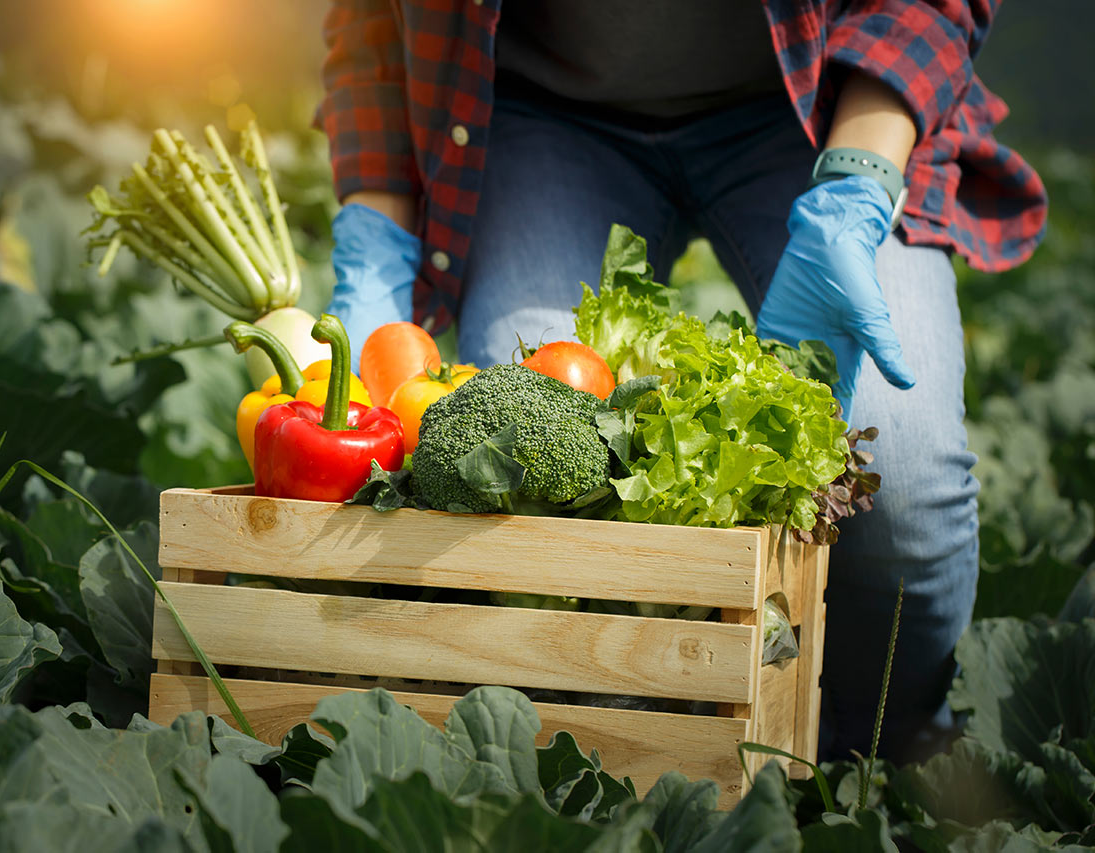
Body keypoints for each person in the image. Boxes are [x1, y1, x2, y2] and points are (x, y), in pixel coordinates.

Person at [315, 1, 1046, 763]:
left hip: (823, 103)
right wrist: (375, 241)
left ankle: (888, 751)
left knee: (905, 482)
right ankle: (616, 746)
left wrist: (857, 185)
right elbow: (372, 19)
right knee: (526, 473)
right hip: (549, 120)